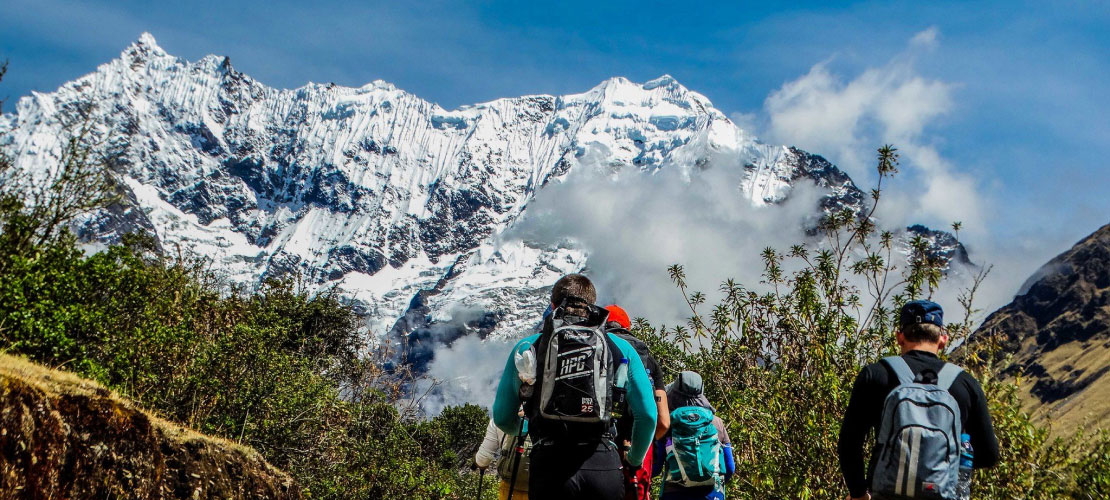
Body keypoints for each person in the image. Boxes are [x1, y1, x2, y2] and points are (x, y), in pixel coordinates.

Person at [492, 274, 658, 500]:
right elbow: (648, 415)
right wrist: (635, 458)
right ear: (592, 306)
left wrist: (525, 430)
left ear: (552, 306)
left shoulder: (528, 347)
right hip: (603, 460)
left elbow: (502, 417)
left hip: (549, 465)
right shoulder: (621, 348)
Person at [838, 300, 1000, 500]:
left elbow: (849, 442)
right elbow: (989, 455)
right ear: (943, 339)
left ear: (900, 337)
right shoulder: (965, 384)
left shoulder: (876, 375)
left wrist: (858, 494)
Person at [604, 304, 670, 500]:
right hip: (637, 448)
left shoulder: (599, 351)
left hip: (601, 448)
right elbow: (663, 421)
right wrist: (641, 448)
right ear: (627, 327)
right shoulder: (647, 360)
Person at [653, 371, 735, 500]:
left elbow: (656, 467)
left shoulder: (668, 423)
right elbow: (730, 467)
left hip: (674, 494)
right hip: (711, 495)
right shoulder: (716, 422)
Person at [475, 418, 531, 500]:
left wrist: (476, 463)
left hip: (509, 489)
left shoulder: (502, 418)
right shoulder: (553, 416)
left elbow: (483, 459)